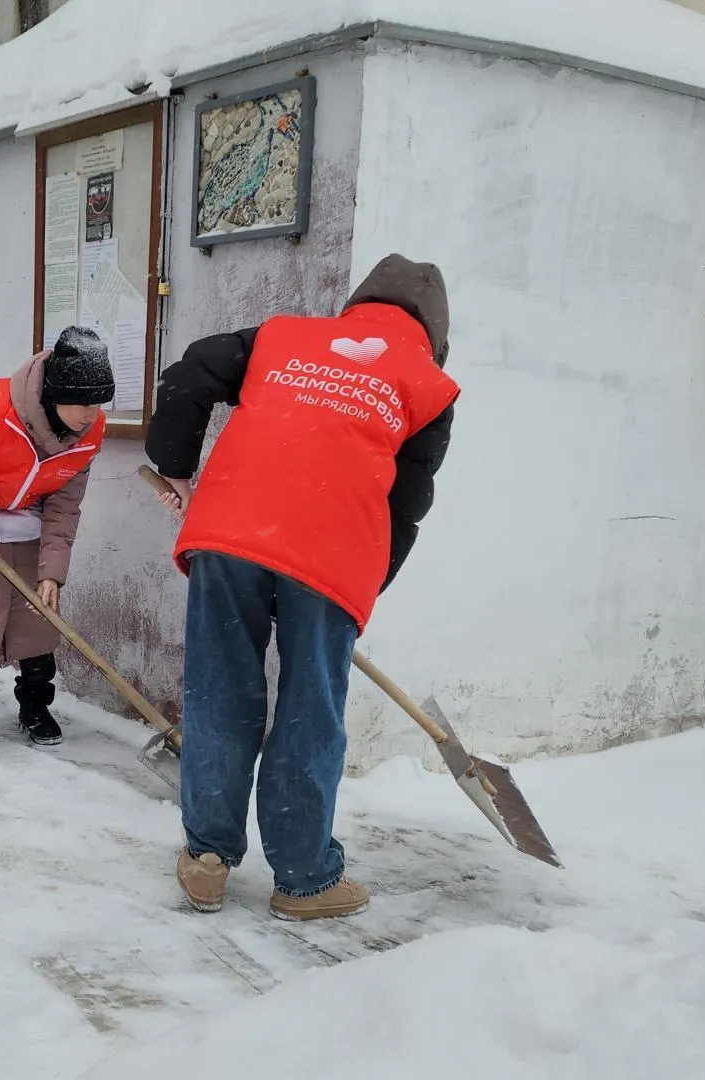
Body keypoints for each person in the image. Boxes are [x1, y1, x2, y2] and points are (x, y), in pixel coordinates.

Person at [145, 254, 459, 920]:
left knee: (220, 690)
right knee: (308, 710)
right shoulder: (429, 384)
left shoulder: (282, 336)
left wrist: (174, 466)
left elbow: (189, 374)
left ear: (357, 304)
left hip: (230, 533)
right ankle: (304, 879)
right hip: (334, 550)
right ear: (434, 333)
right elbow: (407, 502)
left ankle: (206, 860)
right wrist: (359, 589)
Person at [0, 327, 113, 753]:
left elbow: (65, 506)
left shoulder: (89, 435)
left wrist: (53, 572)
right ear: (55, 394)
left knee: (37, 621)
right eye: (82, 402)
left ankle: (35, 707)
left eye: (98, 403)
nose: (91, 414)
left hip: (30, 525)